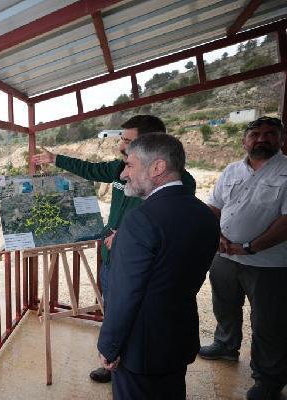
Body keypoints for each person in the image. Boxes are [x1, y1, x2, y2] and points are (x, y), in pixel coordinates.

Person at [32, 115, 196, 383]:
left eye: (128, 141)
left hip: (142, 264)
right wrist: (55, 159)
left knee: (139, 314)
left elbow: (170, 220)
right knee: (114, 309)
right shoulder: (122, 168)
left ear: (150, 144)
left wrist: (126, 235)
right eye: (122, 140)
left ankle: (131, 364)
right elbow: (90, 170)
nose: (121, 146)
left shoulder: (180, 183)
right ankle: (112, 359)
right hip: (111, 258)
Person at [97, 133, 220, 399]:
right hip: (178, 337)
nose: (123, 174)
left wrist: (109, 346)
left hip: (140, 348)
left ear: (157, 167)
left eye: (130, 165)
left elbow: (125, 293)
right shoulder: (204, 214)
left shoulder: (140, 219)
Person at [198, 116, 287, 400]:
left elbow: (286, 221)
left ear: (281, 139)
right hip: (225, 257)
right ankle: (226, 346)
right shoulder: (232, 170)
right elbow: (214, 206)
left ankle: (268, 378)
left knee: (268, 322)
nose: (262, 139)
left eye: (270, 134)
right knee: (224, 306)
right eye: (255, 134)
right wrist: (217, 235)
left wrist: (250, 247)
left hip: (268, 263)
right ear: (244, 141)